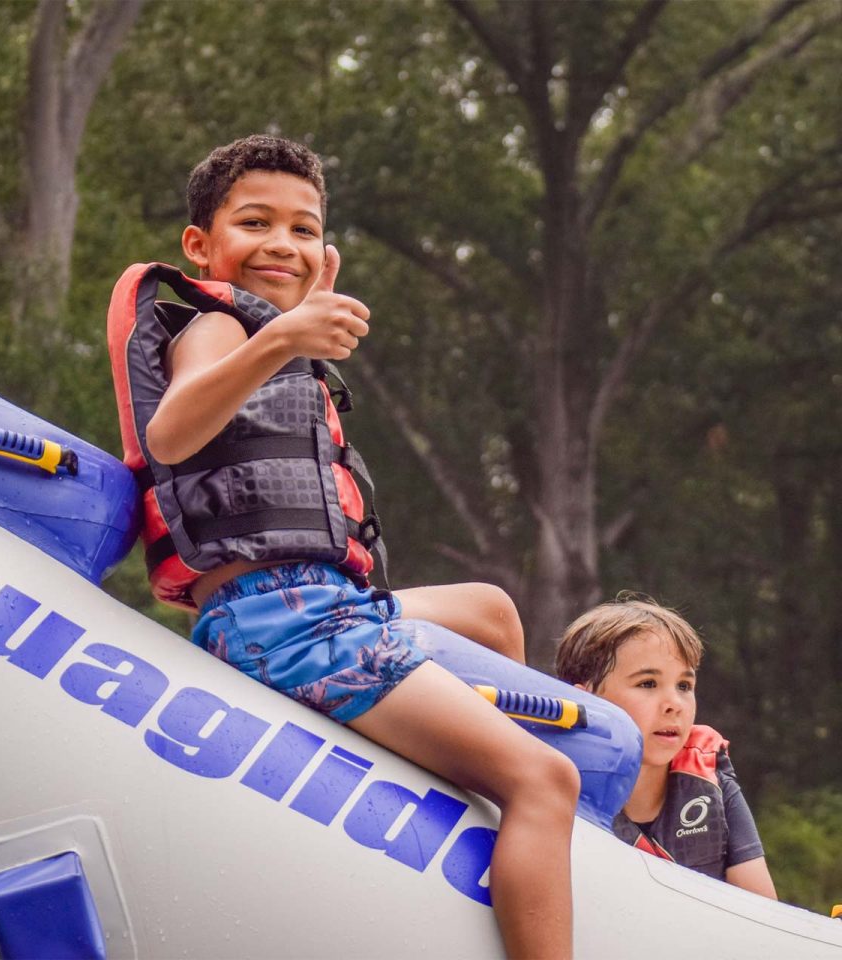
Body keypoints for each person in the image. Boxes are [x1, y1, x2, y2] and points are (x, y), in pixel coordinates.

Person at [111, 134, 577, 957]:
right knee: (546, 779)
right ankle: (530, 827)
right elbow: (172, 432)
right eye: (256, 223)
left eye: (302, 228)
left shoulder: (268, 342)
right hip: (279, 621)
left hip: (326, 607)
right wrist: (281, 340)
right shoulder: (214, 330)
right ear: (201, 245)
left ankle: (484, 799)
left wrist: (285, 341)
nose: (281, 245)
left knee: (493, 612)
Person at [555, 596, 777, 898]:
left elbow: (764, 913)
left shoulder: (713, 784)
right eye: (648, 684)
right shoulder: (554, 787)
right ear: (586, 700)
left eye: (684, 686)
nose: (675, 704)